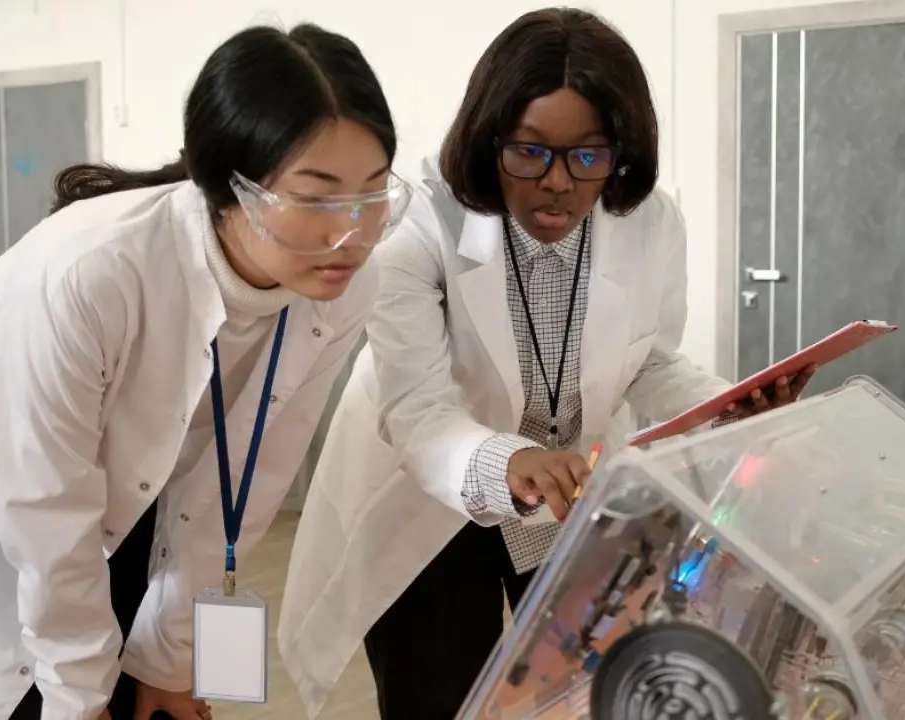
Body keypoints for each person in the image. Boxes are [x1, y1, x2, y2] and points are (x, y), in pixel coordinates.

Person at [279, 8, 814, 719]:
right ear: (489, 139)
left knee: (579, 690)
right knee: (437, 695)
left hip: (569, 488)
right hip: (432, 496)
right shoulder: (419, 222)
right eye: (529, 152)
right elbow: (419, 412)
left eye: (588, 156)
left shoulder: (650, 222)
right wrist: (509, 462)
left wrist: (728, 404)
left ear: (622, 151)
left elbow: (649, 364)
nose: (558, 182)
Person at [0, 23, 408, 720]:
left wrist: (170, 660)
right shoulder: (92, 272)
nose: (349, 234)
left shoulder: (341, 288)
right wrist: (79, 698)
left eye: (371, 195)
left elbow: (249, 482)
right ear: (228, 186)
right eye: (314, 198)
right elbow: (47, 512)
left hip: (130, 511)